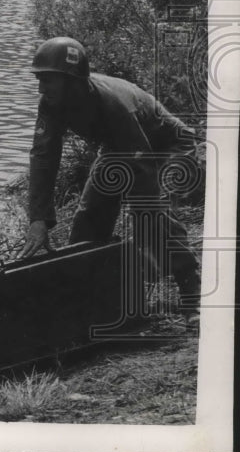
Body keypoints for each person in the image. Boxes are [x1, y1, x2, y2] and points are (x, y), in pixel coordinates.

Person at [18, 37, 202, 316]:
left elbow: (140, 166)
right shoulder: (52, 103)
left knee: (151, 214)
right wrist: (38, 219)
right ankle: (87, 297)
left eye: (48, 80)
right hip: (120, 147)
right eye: (39, 80)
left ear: (72, 79)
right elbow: (43, 157)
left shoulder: (113, 104)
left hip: (170, 146)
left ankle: (192, 291)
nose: (41, 88)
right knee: (89, 216)